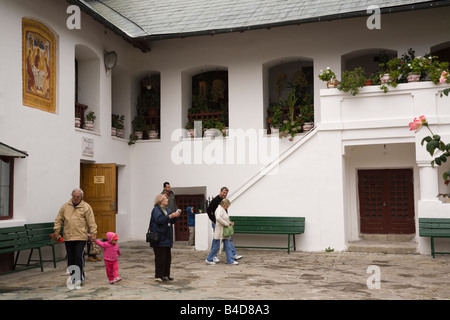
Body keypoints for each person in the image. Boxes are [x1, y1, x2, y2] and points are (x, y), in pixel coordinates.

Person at [53, 188, 97, 285]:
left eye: (78, 197)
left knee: (78, 257)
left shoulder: (86, 207)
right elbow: (59, 219)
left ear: (81, 197)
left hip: (81, 236)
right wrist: (57, 230)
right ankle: (73, 276)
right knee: (71, 257)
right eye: (74, 196)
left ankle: (79, 278)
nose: (76, 198)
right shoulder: (65, 207)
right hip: (68, 236)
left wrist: (93, 233)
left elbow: (91, 221)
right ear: (71, 196)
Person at [149, 194, 181, 282]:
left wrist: (176, 216)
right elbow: (159, 220)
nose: (167, 199)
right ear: (160, 201)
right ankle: (158, 275)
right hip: (159, 238)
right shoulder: (156, 210)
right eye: (165, 198)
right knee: (160, 258)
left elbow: (171, 221)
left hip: (167, 237)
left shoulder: (168, 210)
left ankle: (166, 274)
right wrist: (170, 216)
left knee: (167, 258)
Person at [207, 187, 242, 262]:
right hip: (218, 224)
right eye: (224, 192)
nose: (225, 194)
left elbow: (224, 213)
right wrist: (214, 220)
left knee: (226, 240)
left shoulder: (223, 201)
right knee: (216, 241)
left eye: (226, 193)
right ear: (220, 192)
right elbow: (209, 210)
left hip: (224, 224)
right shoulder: (215, 200)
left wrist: (228, 222)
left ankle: (232, 256)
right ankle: (213, 257)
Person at [205, 199, 238, 265]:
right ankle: (209, 259)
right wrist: (226, 224)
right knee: (216, 246)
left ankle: (230, 260)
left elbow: (222, 218)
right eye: (227, 206)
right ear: (224, 205)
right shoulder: (219, 209)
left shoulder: (221, 209)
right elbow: (218, 218)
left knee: (227, 245)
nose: (227, 207)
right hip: (221, 231)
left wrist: (229, 223)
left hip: (223, 231)